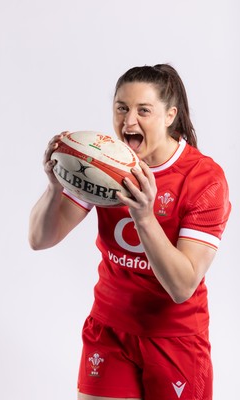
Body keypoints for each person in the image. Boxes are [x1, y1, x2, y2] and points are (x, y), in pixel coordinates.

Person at [29, 64, 231, 400]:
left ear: (170, 116)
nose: (128, 121)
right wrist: (55, 187)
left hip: (174, 338)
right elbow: (39, 239)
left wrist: (144, 217)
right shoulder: (103, 163)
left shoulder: (204, 179)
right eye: (121, 108)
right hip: (109, 329)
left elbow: (182, 286)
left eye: (143, 110)